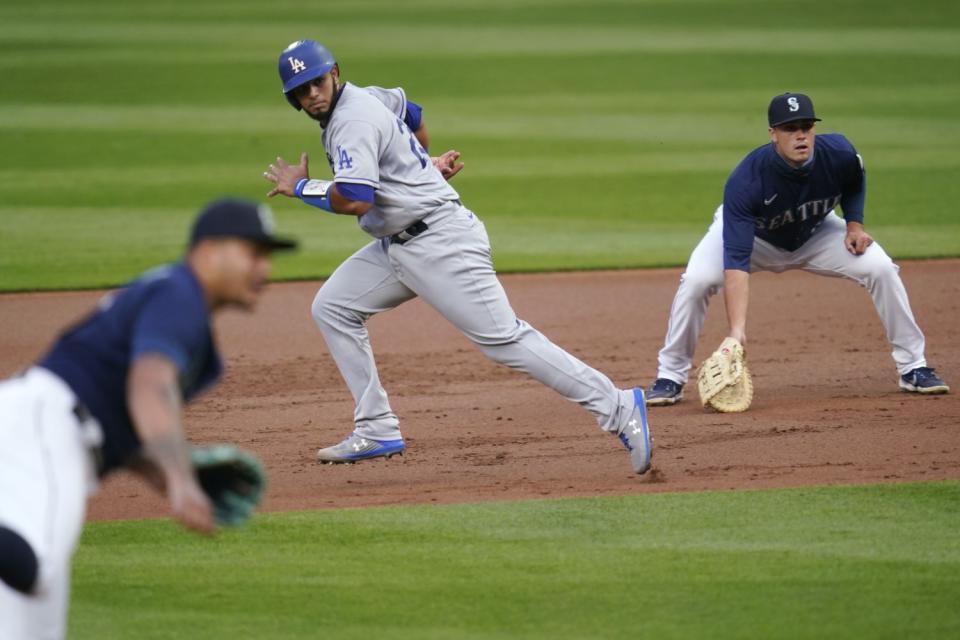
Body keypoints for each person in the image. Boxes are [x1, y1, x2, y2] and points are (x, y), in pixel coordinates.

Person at [263, 39, 652, 473]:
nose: (312, 94)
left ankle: (618, 406)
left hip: (441, 243)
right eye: (301, 90)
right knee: (333, 307)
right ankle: (376, 426)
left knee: (505, 340)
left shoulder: (352, 119)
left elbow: (355, 198)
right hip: (400, 245)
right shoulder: (366, 95)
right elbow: (412, 113)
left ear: (334, 71)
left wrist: (300, 187)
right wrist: (420, 166)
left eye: (316, 81)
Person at [0, 198, 297, 639]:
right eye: (254, 253)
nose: (265, 269)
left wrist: (165, 473)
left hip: (53, 430)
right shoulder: (180, 295)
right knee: (33, 566)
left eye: (268, 257)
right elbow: (149, 386)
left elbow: (124, 420)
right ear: (209, 251)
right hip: (44, 426)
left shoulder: (193, 333)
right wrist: (179, 479)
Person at [646, 93, 949, 406]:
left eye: (806, 126)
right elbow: (736, 260)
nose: (801, 134)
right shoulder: (747, 180)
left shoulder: (840, 153)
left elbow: (855, 180)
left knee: (881, 268)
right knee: (697, 280)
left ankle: (914, 366)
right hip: (756, 240)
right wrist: (737, 331)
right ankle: (670, 375)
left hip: (815, 233)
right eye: (790, 128)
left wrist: (854, 225)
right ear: (773, 134)